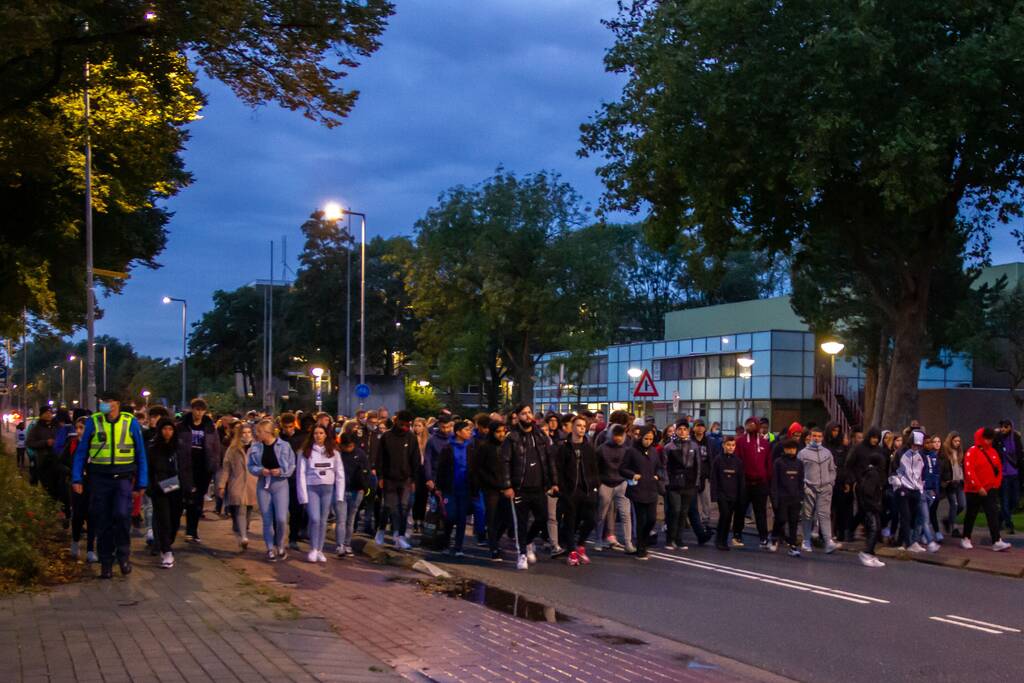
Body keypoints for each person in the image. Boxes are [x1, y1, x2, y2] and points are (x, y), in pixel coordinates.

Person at [71, 391, 148, 579]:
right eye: (102, 401)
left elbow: (141, 454)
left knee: (122, 516)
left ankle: (123, 556)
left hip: (123, 479)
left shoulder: (130, 422)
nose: (104, 404)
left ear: (117, 403)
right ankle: (106, 563)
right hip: (99, 479)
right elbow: (82, 452)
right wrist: (77, 478)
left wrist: (142, 482)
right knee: (103, 520)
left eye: (107, 401)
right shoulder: (94, 421)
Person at [503, 404, 555, 569]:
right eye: (523, 413)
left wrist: (553, 482)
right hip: (520, 488)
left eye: (529, 412)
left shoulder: (540, 436)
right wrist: (507, 485)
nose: (527, 416)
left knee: (542, 518)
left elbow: (549, 459)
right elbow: (505, 462)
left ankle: (528, 540)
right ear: (517, 416)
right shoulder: (511, 437)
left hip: (539, 487)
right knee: (521, 522)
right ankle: (522, 554)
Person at [247, 419, 296, 561]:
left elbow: (292, 465)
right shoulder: (256, 447)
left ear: (267, 432)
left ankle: (280, 544)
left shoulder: (284, 446)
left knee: (281, 518)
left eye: (259, 431)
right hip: (264, 485)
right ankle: (270, 548)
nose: (256, 434)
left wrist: (281, 471)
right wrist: (260, 470)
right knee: (267, 518)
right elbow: (250, 466)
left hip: (280, 485)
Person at [146, 417, 192, 568]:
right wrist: (150, 486)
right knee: (163, 520)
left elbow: (186, 467)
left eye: (170, 429)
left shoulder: (180, 447)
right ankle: (166, 551)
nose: (167, 432)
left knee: (174, 520)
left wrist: (188, 485)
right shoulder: (153, 448)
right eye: (165, 429)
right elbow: (149, 470)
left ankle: (167, 543)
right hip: (159, 489)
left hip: (177, 488)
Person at [296, 424, 344, 563]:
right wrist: (303, 496)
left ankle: (319, 550)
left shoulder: (334, 452)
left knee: (323, 520)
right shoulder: (305, 452)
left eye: (321, 433)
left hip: (328, 489)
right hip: (312, 488)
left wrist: (339, 495)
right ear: (312, 435)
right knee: (315, 518)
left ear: (326, 434)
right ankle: (313, 548)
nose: (318, 436)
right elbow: (300, 474)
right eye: (316, 433)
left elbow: (340, 473)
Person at [555, 416, 599, 567]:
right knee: (570, 521)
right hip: (570, 491)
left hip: (587, 490)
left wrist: (595, 485)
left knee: (591, 519)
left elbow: (594, 468)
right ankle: (571, 551)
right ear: (572, 427)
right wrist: (562, 489)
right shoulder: (564, 448)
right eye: (579, 425)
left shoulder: (589, 448)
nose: (581, 428)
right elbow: (559, 470)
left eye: (583, 426)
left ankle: (580, 545)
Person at [177, 399, 221, 545]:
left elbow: (215, 447)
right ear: (192, 409)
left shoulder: (209, 427)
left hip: (203, 467)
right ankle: (189, 530)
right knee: (189, 497)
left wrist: (214, 465)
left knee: (198, 500)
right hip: (187, 467)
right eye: (196, 409)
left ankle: (193, 530)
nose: (199, 412)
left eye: (201, 410)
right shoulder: (183, 426)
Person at [373, 410, 418, 549]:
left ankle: (399, 536)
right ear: (397, 421)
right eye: (402, 424)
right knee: (389, 507)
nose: (405, 427)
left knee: (403, 508)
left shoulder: (411, 437)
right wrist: (380, 476)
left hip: (406, 478)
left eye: (407, 425)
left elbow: (415, 459)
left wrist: (414, 479)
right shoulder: (386, 436)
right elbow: (380, 458)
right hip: (389, 478)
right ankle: (381, 530)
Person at [961, 427, 1011, 551]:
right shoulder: (972, 452)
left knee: (992, 514)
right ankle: (966, 537)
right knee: (971, 514)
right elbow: (969, 471)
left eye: (990, 439)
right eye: (987, 439)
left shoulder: (993, 452)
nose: (989, 441)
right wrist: (978, 487)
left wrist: (996, 484)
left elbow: (998, 468)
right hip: (973, 491)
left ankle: (996, 540)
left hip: (990, 489)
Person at [664, 421, 712, 549]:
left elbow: (698, 466)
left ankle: (679, 539)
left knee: (684, 512)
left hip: (689, 484)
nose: (682, 431)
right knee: (675, 510)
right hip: (674, 484)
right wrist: (667, 483)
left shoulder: (693, 445)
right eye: (680, 429)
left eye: (685, 429)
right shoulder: (669, 446)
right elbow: (664, 466)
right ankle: (670, 539)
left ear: (688, 431)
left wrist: (696, 483)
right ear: (676, 431)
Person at [622, 426, 665, 560]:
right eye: (646, 438)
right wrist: (633, 475)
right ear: (640, 437)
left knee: (652, 519)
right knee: (641, 520)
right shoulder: (631, 451)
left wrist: (658, 475)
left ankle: (643, 542)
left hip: (651, 488)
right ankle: (641, 548)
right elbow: (622, 469)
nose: (648, 441)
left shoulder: (653, 451)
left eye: (651, 439)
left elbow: (659, 467)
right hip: (638, 489)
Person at [435, 420, 477, 556]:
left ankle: (458, 547)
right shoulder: (448, 448)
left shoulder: (470, 447)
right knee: (450, 516)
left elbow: (474, 468)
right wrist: (438, 487)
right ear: (458, 432)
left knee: (462, 518)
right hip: (450, 488)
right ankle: (446, 542)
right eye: (466, 430)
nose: (469, 432)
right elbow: (441, 468)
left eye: (470, 430)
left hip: (465, 488)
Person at [846, 428, 887, 567]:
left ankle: (871, 550)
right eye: (873, 437)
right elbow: (849, 464)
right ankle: (866, 550)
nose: (875, 440)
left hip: (874, 489)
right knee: (868, 517)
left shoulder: (879, 452)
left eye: (877, 438)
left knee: (873, 521)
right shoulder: (859, 449)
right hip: (863, 486)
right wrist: (853, 480)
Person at [216, 422, 258, 550]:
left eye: (249, 432)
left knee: (248, 511)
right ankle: (244, 537)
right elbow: (226, 469)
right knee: (240, 509)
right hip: (236, 483)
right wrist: (222, 485)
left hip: (252, 484)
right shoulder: (232, 449)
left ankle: (241, 531)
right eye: (244, 433)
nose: (246, 435)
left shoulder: (257, 448)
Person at [474, 421, 512, 562]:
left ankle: (494, 540)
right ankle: (494, 548)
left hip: (506, 487)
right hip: (491, 489)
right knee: (492, 518)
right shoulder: (485, 447)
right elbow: (479, 469)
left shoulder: (507, 446)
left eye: (503, 431)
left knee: (507, 518)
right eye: (498, 431)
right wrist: (491, 482)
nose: (501, 434)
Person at [798, 426, 840, 554]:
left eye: (819, 436)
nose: (816, 438)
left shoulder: (827, 453)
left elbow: (832, 469)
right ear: (810, 437)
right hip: (809, 487)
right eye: (814, 436)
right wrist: (804, 486)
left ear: (822, 438)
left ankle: (828, 542)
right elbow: (799, 471)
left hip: (825, 488)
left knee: (825, 515)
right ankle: (806, 540)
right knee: (807, 515)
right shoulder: (803, 453)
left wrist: (830, 483)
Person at [733, 416, 772, 548]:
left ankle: (763, 537)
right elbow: (737, 461)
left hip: (760, 483)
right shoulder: (741, 441)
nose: (750, 426)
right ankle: (737, 534)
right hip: (744, 483)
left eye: (753, 424)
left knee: (760, 512)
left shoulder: (765, 443)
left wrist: (767, 479)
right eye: (748, 424)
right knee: (740, 510)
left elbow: (768, 463)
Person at [595, 424, 634, 553]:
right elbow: (595, 467)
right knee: (601, 515)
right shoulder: (601, 449)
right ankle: (598, 540)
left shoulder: (627, 449)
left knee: (625, 514)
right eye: (616, 435)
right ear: (611, 435)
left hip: (621, 484)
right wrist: (598, 484)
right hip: (605, 484)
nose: (618, 438)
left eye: (620, 435)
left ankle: (628, 543)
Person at [63, 417, 95, 561]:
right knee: (78, 515)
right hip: (77, 486)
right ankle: (75, 543)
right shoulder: (72, 444)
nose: (78, 431)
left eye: (82, 428)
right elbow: (61, 462)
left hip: (92, 485)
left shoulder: (95, 445)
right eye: (77, 428)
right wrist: (72, 473)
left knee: (92, 516)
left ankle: (90, 549)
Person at [893, 431, 929, 553]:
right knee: (905, 516)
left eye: (918, 446)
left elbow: (923, 472)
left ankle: (902, 542)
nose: (916, 447)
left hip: (916, 489)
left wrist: (921, 487)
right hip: (903, 488)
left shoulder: (921, 456)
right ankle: (908, 543)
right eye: (914, 445)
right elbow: (894, 470)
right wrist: (898, 484)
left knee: (913, 516)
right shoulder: (901, 453)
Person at [278, 412, 308, 551]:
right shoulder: (278, 438)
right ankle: (279, 538)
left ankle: (293, 538)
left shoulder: (302, 437)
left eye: (290, 427)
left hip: (297, 478)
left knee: (296, 510)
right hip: (282, 478)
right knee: (280, 511)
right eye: (285, 427)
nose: (288, 430)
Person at [770, 439, 804, 557]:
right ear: (784, 449)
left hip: (795, 497)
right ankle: (774, 537)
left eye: (793, 449)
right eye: (789, 449)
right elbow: (774, 481)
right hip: (782, 497)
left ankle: (793, 546)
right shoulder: (778, 462)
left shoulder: (799, 463)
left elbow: (801, 481)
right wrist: (775, 498)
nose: (791, 451)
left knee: (793, 522)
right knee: (781, 519)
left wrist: (801, 496)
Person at [338, 433, 370, 556]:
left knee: (350, 519)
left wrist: (364, 487)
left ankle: (347, 544)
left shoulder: (360, 454)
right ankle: (340, 545)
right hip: (342, 490)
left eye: (350, 446)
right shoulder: (338, 454)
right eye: (346, 446)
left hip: (357, 490)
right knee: (341, 519)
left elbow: (366, 472)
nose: (348, 449)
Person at [711, 436, 745, 551]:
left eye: (733, 445)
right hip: (722, 494)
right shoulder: (718, 460)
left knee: (728, 518)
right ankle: (719, 540)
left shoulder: (738, 461)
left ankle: (723, 540)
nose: (731, 447)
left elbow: (741, 480)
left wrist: (741, 496)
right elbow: (714, 479)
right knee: (724, 515)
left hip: (734, 494)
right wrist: (714, 495)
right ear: (723, 445)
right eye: (728, 445)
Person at [994, 419, 1021, 535]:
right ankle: (1009, 525)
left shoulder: (1016, 438)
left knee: (1015, 501)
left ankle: (999, 519)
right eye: (1002, 427)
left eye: (1005, 427)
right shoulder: (998, 439)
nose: (1003, 429)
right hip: (1003, 475)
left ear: (1010, 427)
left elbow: (1020, 455)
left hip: (1014, 473)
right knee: (1004, 500)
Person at [27, 406, 59, 491]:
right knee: (47, 486)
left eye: (50, 413)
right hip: (43, 461)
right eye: (46, 413)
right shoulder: (36, 428)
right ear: (41, 415)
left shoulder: (56, 426)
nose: (49, 415)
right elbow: (29, 443)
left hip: (56, 460)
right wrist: (45, 443)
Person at [940, 431, 966, 538]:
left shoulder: (960, 452)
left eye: (959, 441)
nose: (957, 443)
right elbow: (943, 467)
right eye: (955, 441)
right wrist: (945, 480)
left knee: (962, 504)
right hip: (950, 483)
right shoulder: (945, 452)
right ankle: (954, 527)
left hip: (959, 482)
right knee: (954, 504)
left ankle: (948, 520)